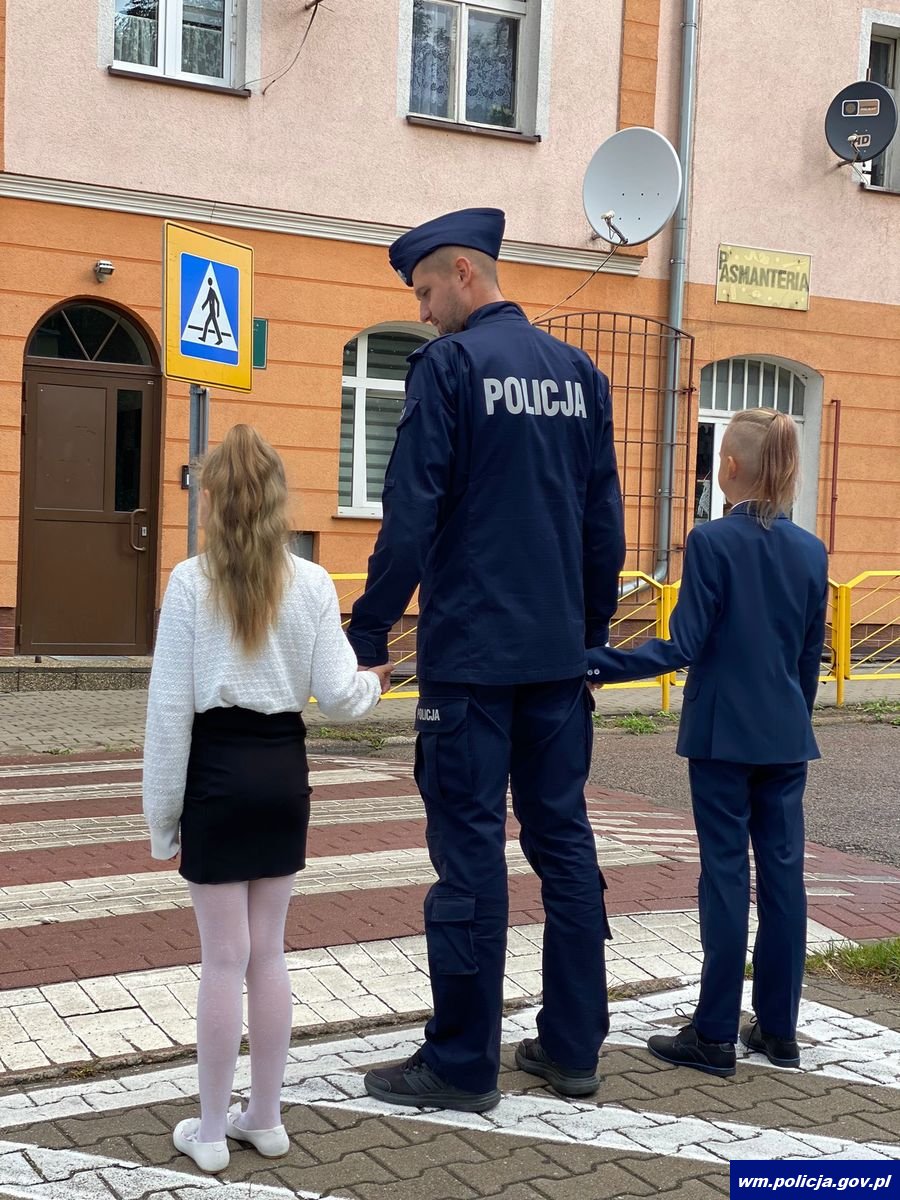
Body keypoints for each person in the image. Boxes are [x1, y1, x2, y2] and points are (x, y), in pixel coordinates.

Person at [346, 207, 626, 1112]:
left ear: (464, 273)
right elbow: (604, 528)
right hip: (557, 663)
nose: (423, 312)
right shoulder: (581, 375)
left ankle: (462, 1064)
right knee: (565, 846)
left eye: (426, 292)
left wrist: (369, 632)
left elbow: (410, 513)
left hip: (469, 664)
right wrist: (585, 636)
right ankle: (573, 1048)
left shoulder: (451, 368)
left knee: (470, 856)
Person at [143, 425, 389, 1173]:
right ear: (280, 499)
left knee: (223, 959)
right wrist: (376, 683)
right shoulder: (311, 583)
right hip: (283, 772)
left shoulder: (190, 583)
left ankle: (211, 1132)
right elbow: (341, 697)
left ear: (213, 499)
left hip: (217, 774)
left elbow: (169, 713)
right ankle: (268, 1118)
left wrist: (162, 819)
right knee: (270, 952)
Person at [586, 408, 828, 1077]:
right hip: (786, 737)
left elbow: (683, 645)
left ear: (730, 466)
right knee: (784, 879)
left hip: (722, 737)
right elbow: (809, 658)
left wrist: (596, 661)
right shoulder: (812, 551)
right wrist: (791, 717)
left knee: (725, 876)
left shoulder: (712, 541)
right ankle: (779, 1030)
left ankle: (715, 1033)